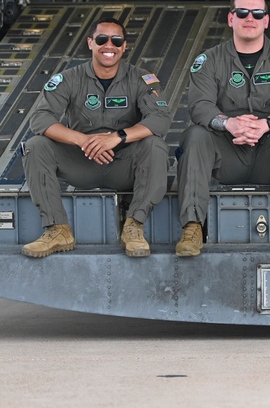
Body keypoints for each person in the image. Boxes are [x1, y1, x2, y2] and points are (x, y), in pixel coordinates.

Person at [175, 0, 270, 258]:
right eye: (242, 12)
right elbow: (199, 106)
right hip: (227, 155)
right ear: (231, 19)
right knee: (195, 135)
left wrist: (266, 125)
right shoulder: (209, 60)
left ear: (266, 20)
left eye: (257, 13)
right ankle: (192, 228)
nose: (249, 18)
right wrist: (229, 124)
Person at [21, 16, 170, 258]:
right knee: (35, 145)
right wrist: (83, 140)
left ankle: (133, 226)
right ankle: (58, 229)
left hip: (123, 164)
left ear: (124, 46)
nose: (108, 45)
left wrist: (117, 137)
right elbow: (40, 119)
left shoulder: (141, 79)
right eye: (101, 39)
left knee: (155, 146)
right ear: (90, 43)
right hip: (82, 162)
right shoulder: (69, 79)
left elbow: (160, 119)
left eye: (116, 40)